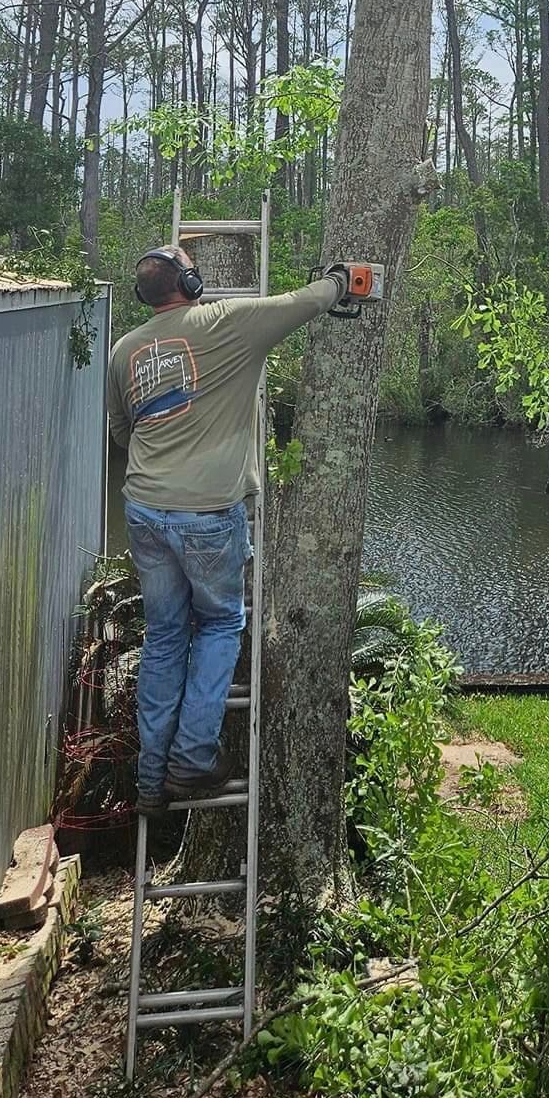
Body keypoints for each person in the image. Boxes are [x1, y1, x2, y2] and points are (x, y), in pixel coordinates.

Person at [106, 242, 355, 812]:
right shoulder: (228, 322)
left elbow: (121, 432)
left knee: (165, 636)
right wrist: (342, 281)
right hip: (208, 515)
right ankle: (192, 759)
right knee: (219, 624)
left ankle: (150, 780)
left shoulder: (124, 350)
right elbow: (305, 301)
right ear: (189, 284)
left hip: (144, 510)